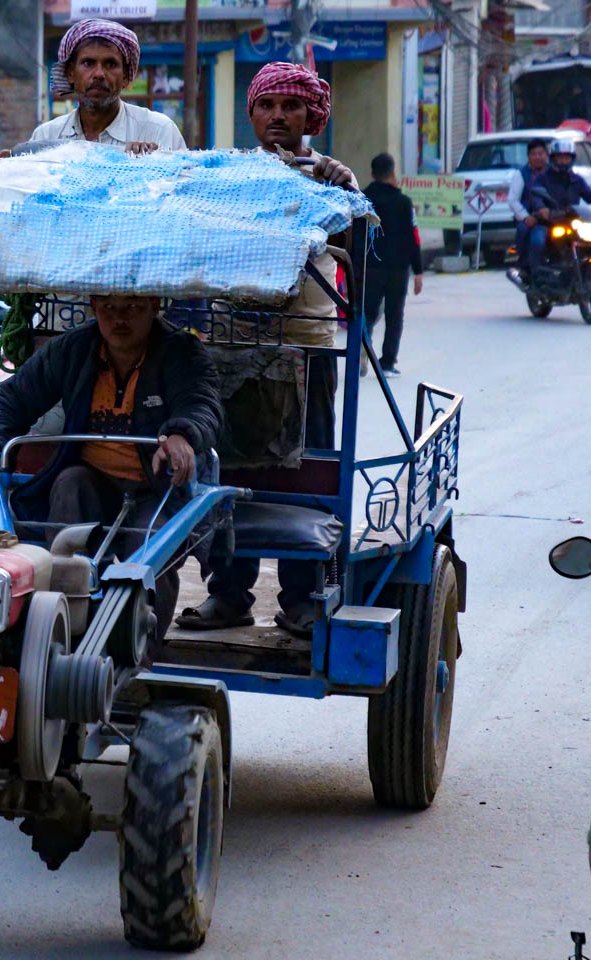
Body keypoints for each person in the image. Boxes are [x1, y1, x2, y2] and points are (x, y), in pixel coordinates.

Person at [174, 61, 354, 638]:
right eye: (267, 106)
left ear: (311, 116)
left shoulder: (332, 175)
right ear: (250, 113)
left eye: (291, 107)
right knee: (230, 464)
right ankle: (229, 594)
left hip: (307, 347)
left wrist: (337, 193)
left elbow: (355, 249)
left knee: (308, 468)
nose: (278, 116)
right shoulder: (231, 174)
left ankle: (303, 596)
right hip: (234, 347)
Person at [0, 295, 222, 646]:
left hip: (157, 488)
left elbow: (202, 406)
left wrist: (182, 435)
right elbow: (13, 399)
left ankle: (141, 653)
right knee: (69, 484)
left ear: (155, 306)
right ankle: (70, 627)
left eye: (133, 308)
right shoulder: (73, 349)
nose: (120, 319)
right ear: (94, 307)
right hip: (91, 481)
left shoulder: (182, 351)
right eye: (109, 308)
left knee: (153, 548)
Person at [0, 19, 185, 161]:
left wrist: (154, 163)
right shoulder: (46, 136)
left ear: (126, 77)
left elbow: (183, 195)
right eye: (88, 63)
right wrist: (7, 169)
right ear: (70, 74)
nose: (99, 74)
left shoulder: (159, 131)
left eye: (110, 64)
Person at [362, 152, 423, 377]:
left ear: (372, 174)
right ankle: (387, 363)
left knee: (367, 313)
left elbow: (356, 235)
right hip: (398, 268)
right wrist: (418, 270)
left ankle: (361, 348)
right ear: (393, 173)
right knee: (394, 315)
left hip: (370, 266)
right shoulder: (404, 202)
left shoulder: (363, 200)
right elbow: (413, 237)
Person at [518, 139, 591, 281]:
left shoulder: (577, 179)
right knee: (537, 241)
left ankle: (587, 270)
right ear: (553, 158)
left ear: (572, 159)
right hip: (547, 222)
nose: (563, 161)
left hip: (572, 221)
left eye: (566, 158)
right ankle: (534, 275)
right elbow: (535, 195)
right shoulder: (542, 178)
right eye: (560, 158)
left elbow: (590, 195)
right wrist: (542, 208)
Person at [507, 137, 549, 282]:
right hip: (532, 219)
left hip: (554, 218)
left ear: (547, 155)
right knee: (534, 239)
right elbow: (513, 200)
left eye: (541, 153)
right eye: (534, 154)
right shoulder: (521, 174)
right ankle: (527, 267)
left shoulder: (554, 173)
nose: (538, 157)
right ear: (528, 157)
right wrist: (526, 217)